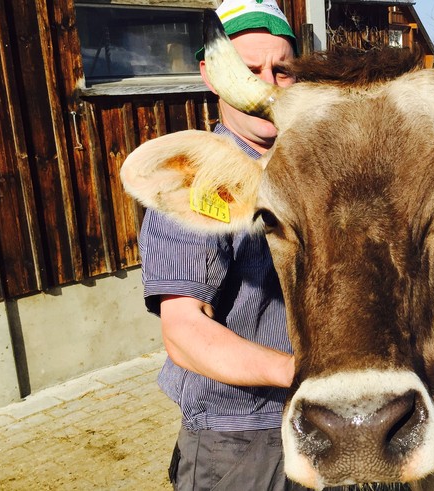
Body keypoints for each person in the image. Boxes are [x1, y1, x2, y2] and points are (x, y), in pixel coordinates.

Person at [138, 1, 303, 489]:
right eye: (249, 70)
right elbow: (184, 333)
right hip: (237, 443)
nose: (267, 84)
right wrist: (302, 369)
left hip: (314, 419)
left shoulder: (307, 172)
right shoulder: (197, 180)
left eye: (283, 71)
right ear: (211, 75)